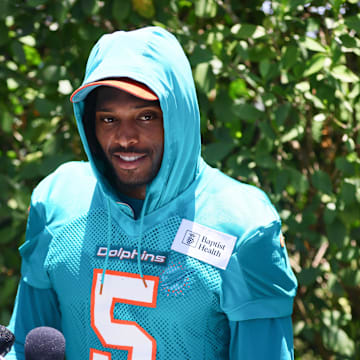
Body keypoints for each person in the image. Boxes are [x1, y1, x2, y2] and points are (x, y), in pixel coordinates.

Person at [6, 26, 297, 359]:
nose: (126, 138)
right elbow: (26, 344)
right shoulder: (58, 202)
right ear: (89, 122)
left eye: (146, 116)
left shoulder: (242, 227)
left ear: (179, 116)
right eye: (109, 119)